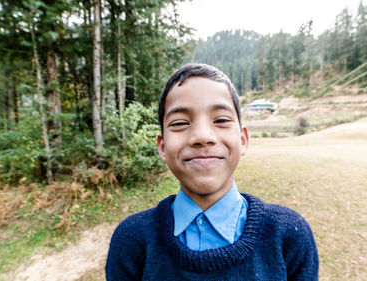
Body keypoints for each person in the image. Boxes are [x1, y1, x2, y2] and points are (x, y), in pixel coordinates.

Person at [105, 63, 319, 280]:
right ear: (162, 147)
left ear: (243, 140)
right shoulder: (131, 240)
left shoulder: (289, 236)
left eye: (221, 120)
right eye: (179, 123)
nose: (202, 136)